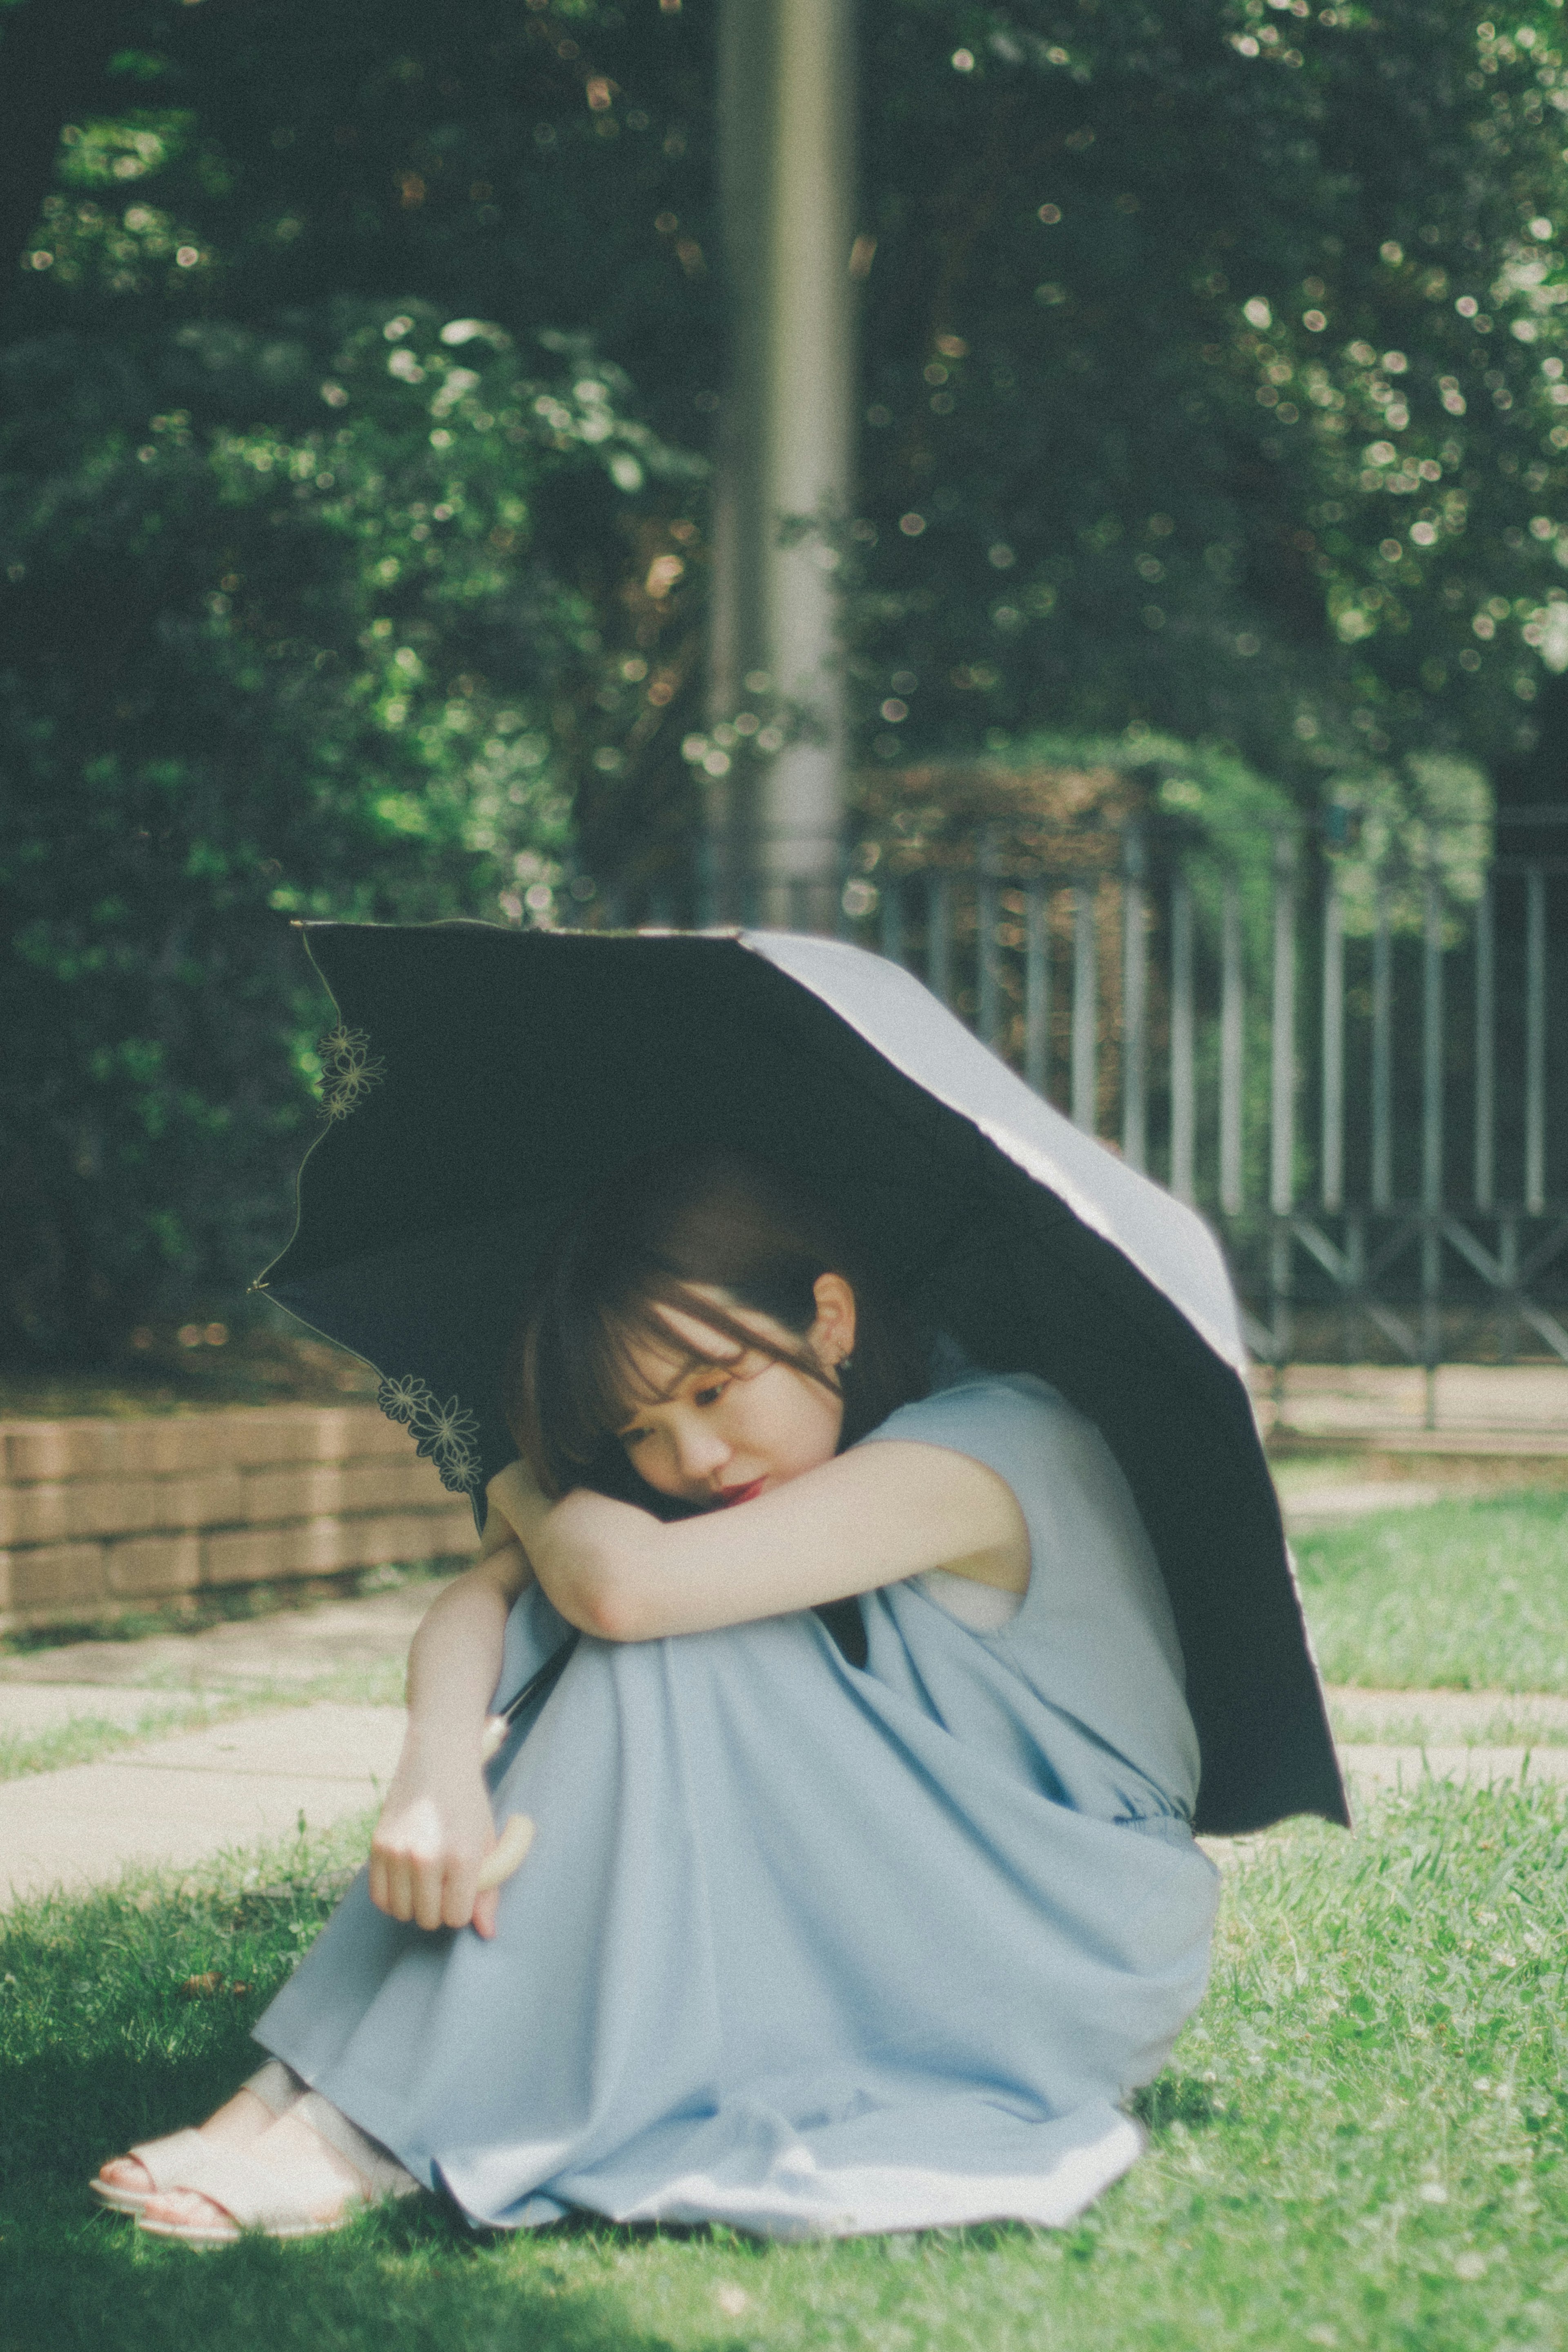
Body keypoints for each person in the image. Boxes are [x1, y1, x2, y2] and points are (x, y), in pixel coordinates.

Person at [93, 1150, 1220, 2245]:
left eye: (716, 1389)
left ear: (830, 1318)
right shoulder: (793, 1473)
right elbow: (487, 1600)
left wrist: (527, 1487)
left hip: (1063, 1933)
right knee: (603, 1616)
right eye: (639, 1430)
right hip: (931, 1880)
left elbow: (623, 1589)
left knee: (663, 1643)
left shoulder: (1000, 1443)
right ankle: (288, 2091)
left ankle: (363, 2125)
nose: (695, 1455)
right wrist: (435, 1771)